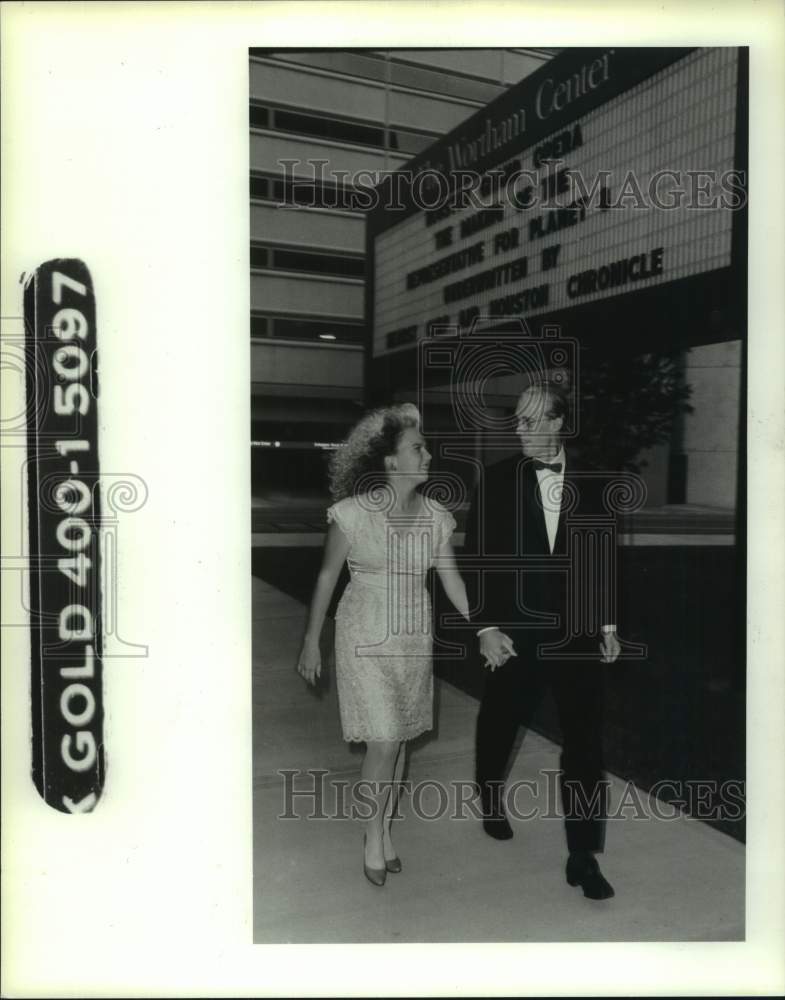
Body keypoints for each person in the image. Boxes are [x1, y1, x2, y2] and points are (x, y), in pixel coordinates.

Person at [296, 403, 471, 887]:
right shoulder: (352, 514)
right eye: (418, 448)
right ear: (391, 460)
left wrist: (485, 626)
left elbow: (453, 582)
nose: (428, 456)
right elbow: (327, 577)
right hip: (363, 633)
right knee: (386, 738)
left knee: (400, 741)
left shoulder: (436, 517)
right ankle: (372, 834)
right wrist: (311, 641)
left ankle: (385, 829)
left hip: (414, 636)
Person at [463, 379, 622, 900]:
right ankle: (490, 796)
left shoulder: (596, 482)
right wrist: (486, 628)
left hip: (576, 637)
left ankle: (583, 855)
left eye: (531, 421)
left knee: (585, 746)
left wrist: (607, 626)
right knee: (499, 722)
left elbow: (602, 558)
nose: (520, 430)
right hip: (514, 634)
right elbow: (478, 558)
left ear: (558, 422)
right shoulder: (497, 479)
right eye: (518, 420)